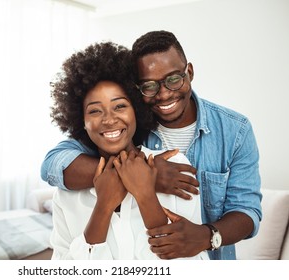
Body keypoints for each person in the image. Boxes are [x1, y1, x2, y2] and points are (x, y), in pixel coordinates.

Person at [41, 31, 262, 260]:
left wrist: (206, 236)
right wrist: (141, 174)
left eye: (174, 79)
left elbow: (247, 212)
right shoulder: (130, 125)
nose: (165, 94)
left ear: (190, 72)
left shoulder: (235, 129)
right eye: (149, 86)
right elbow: (52, 164)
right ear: (138, 91)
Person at [48, 41, 208, 260]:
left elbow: (190, 263)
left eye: (120, 106)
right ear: (81, 121)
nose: (109, 119)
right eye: (95, 111)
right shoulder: (67, 192)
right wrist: (103, 207)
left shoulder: (176, 167)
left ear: (136, 110)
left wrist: (145, 195)